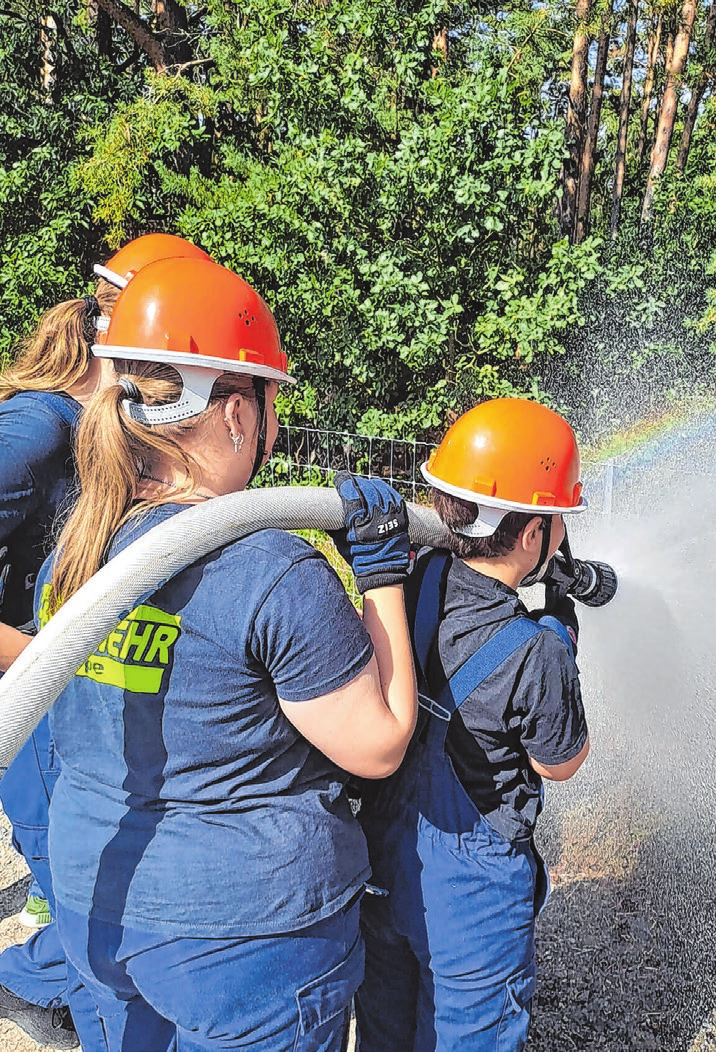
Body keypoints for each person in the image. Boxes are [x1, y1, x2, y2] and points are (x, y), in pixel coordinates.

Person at [36, 255, 417, 1050]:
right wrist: (383, 578)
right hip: (247, 936)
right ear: (238, 412)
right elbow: (377, 743)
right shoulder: (271, 569)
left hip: (95, 899)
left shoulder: (76, 553)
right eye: (270, 399)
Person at [0, 234, 213, 1050]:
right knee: (92, 898)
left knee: (104, 889)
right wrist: (41, 660)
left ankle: (44, 980)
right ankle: (46, 993)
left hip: (81, 698)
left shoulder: (111, 426)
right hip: (42, 704)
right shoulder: (37, 428)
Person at [354, 397, 615, 1052]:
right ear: (533, 534)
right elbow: (561, 761)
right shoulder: (537, 648)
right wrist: (558, 628)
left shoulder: (410, 578)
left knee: (386, 1028)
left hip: (384, 861)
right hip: (472, 894)